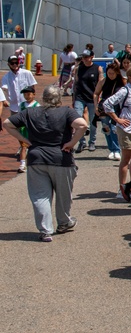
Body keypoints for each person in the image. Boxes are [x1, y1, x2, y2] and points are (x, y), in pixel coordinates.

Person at [4, 86, 87, 241]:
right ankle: (63, 223)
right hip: (61, 158)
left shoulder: (30, 112)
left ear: (43, 98)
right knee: (64, 195)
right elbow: (82, 124)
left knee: (40, 196)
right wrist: (71, 142)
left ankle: (45, 230)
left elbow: (7, 123)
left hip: (36, 158)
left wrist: (24, 140)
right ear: (59, 99)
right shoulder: (66, 111)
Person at [104, 66, 131, 201]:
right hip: (125, 128)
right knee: (126, 158)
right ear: (129, 77)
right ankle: (122, 186)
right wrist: (117, 119)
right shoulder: (124, 91)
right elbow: (107, 104)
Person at [4, 54, 37, 167]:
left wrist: (32, 99)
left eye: (16, 62)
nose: (15, 65)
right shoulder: (7, 76)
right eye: (12, 63)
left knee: (30, 127)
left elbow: (33, 86)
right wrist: (5, 99)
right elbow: (3, 87)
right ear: (8, 64)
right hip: (15, 106)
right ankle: (23, 145)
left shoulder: (26, 73)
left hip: (27, 105)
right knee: (17, 129)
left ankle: (26, 146)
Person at [71, 49, 103, 153]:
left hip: (92, 98)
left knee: (93, 121)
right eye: (83, 57)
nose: (84, 59)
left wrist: (98, 98)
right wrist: (73, 98)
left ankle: (92, 141)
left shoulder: (97, 69)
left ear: (92, 57)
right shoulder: (78, 68)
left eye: (86, 57)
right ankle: (82, 141)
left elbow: (100, 84)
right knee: (78, 119)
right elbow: (75, 85)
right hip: (80, 97)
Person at [93, 61, 125, 161]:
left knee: (114, 128)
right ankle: (112, 149)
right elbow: (96, 93)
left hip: (117, 108)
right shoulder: (103, 81)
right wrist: (96, 107)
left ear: (117, 73)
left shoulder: (122, 81)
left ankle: (117, 149)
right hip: (104, 107)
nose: (110, 75)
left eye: (113, 73)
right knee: (106, 128)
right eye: (109, 73)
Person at [14, 87, 38, 172]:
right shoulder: (22, 105)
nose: (26, 96)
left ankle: (34, 163)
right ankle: (22, 164)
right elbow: (19, 116)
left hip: (33, 129)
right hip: (24, 129)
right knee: (23, 146)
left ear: (34, 94)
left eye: (28, 94)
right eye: (25, 95)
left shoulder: (37, 105)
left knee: (33, 147)